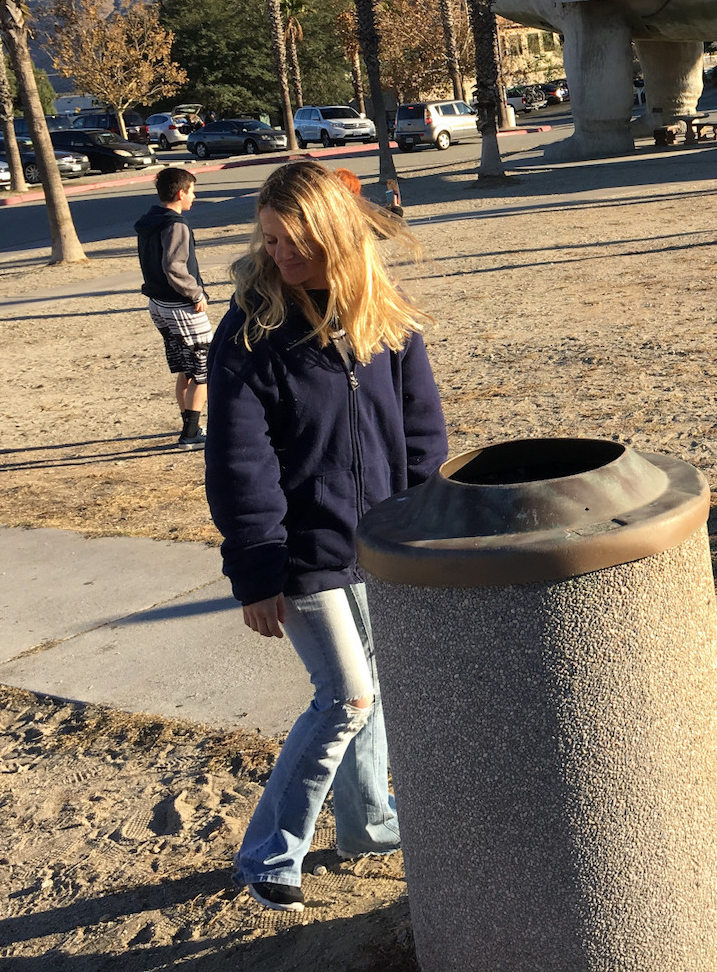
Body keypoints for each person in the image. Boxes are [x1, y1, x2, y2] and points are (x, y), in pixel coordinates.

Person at [205, 158, 448, 914]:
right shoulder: (250, 331)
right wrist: (258, 572)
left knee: (373, 697)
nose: (280, 255)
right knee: (345, 698)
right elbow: (239, 461)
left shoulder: (382, 315)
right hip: (299, 554)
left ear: (338, 237)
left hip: (377, 543)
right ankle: (268, 854)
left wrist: (419, 530)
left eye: (296, 241)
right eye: (271, 239)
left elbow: (420, 432)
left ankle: (370, 824)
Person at [135, 167, 210, 449]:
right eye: (192, 190)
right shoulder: (176, 224)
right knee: (203, 369)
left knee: (185, 368)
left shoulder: (147, 221)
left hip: (158, 304)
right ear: (181, 193)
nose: (194, 196)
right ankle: (190, 434)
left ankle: (190, 426)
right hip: (181, 306)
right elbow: (174, 267)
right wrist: (196, 294)